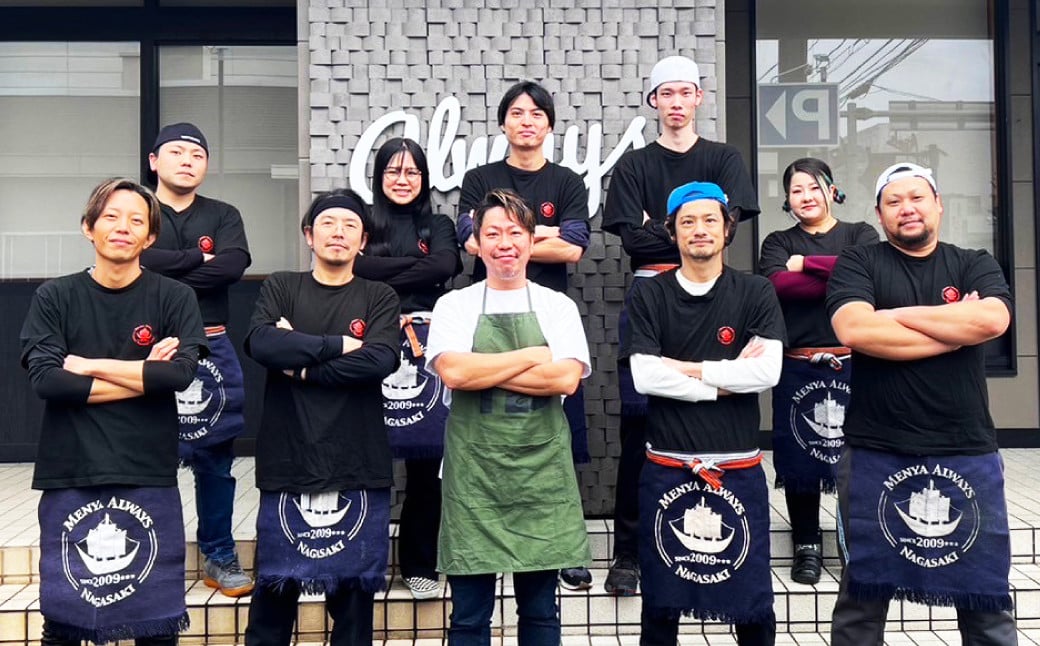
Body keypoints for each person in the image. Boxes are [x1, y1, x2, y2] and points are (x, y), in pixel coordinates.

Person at [826, 163, 1016, 645]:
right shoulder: (859, 263)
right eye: (894, 202)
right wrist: (953, 327)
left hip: (965, 448)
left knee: (985, 597)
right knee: (862, 598)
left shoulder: (973, 260)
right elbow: (855, 331)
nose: (906, 209)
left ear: (938, 205)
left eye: (917, 198)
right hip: (875, 450)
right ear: (879, 213)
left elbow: (992, 321)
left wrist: (898, 316)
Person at [21, 178, 207, 645]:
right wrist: (142, 376)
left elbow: (180, 376)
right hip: (71, 470)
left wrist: (91, 366)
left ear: (150, 238)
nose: (122, 227)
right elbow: (48, 380)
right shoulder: (55, 296)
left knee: (156, 619)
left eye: (136, 220)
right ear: (88, 228)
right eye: (110, 216)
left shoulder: (174, 297)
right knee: (65, 620)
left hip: (147, 470)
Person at [600, 54, 760, 596]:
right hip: (650, 292)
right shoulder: (634, 165)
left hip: (719, 292)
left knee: (721, 402)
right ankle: (628, 550)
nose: (674, 103)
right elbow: (631, 241)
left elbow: (726, 236)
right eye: (664, 94)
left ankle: (722, 525)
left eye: (683, 93)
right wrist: (688, 232)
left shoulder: (724, 156)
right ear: (653, 103)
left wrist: (659, 227)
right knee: (639, 423)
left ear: (698, 98)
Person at [426, 189, 591, 646]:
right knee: (469, 617)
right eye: (492, 233)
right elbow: (455, 373)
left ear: (531, 240)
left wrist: (488, 368)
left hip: (541, 477)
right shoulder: (454, 305)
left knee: (540, 614)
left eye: (515, 233)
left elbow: (564, 380)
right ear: (475, 242)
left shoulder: (557, 306)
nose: (505, 243)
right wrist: (533, 355)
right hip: (473, 477)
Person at [621, 181, 783, 646]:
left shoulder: (754, 291)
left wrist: (688, 368)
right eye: (687, 222)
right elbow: (645, 377)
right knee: (661, 604)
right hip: (668, 465)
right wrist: (723, 382)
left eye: (710, 219)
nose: (699, 230)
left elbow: (768, 371)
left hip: (738, 466)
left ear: (728, 227)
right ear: (672, 232)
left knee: (752, 604)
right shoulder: (651, 295)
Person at [242, 189, 400, 646]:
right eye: (328, 223)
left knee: (352, 603)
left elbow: (381, 360)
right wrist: (338, 345)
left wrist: (303, 362)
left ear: (363, 240)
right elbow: (262, 344)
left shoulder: (378, 295)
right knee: (274, 595)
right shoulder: (282, 286)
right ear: (309, 235)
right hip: (289, 459)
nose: (338, 232)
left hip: (357, 460)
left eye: (350, 225)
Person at [454, 80, 594, 591]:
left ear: (550, 124)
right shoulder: (479, 177)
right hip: (487, 309)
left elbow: (577, 248)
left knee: (562, 432)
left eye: (537, 113)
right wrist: (542, 237)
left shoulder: (567, 180)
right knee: (484, 425)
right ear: (503, 123)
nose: (527, 120)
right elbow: (469, 241)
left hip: (547, 310)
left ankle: (567, 544)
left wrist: (513, 240)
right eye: (517, 112)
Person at [142, 122, 254, 597]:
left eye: (197, 154)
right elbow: (135, 263)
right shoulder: (140, 209)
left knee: (215, 459)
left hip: (210, 343)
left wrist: (165, 264)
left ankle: (219, 554)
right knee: (148, 456)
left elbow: (233, 265)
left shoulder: (223, 213)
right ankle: (157, 557)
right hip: (146, 346)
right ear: (154, 161)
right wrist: (198, 261)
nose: (188, 160)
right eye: (177, 152)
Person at [758, 158, 879, 585]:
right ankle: (806, 542)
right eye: (796, 190)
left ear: (832, 189)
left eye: (814, 187)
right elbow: (777, 286)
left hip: (853, 361)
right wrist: (834, 272)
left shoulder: (861, 233)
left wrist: (803, 265)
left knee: (856, 456)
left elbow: (865, 275)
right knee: (800, 456)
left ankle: (854, 545)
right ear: (787, 199)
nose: (806, 197)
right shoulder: (776, 241)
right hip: (798, 362)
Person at [353, 137, 462, 600]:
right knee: (368, 458)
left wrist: (379, 270)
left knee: (425, 458)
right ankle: (367, 565)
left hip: (426, 348)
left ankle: (419, 562)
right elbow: (351, 267)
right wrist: (416, 269)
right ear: (379, 177)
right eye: (393, 171)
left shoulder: (436, 222)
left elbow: (446, 263)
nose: (403, 180)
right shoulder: (362, 220)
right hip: (370, 345)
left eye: (412, 172)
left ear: (424, 178)